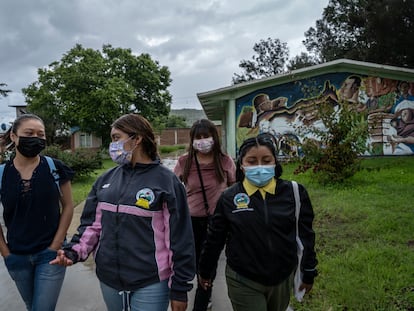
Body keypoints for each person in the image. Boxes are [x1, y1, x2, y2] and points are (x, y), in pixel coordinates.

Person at [51, 113, 195, 311]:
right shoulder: (104, 181)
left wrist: (180, 287)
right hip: (109, 278)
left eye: (116, 138)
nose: (113, 145)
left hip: (151, 280)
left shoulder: (167, 182)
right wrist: (73, 252)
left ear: (136, 139)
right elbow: (92, 226)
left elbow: (180, 239)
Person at [197, 134, 318, 311]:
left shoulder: (294, 193)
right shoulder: (230, 198)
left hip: (282, 278)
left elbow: (306, 236)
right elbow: (215, 239)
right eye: (252, 161)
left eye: (266, 160)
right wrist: (205, 270)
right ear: (242, 165)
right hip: (243, 279)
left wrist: (308, 272)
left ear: (275, 162)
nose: (260, 167)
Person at [0, 113, 74, 311]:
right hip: (16, 255)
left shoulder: (55, 168)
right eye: (29, 133)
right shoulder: (1, 173)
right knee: (31, 305)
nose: (36, 138)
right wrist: (5, 252)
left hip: (50, 254)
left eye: (41, 135)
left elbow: (68, 206)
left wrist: (56, 245)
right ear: (14, 137)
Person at [173, 119, 236, 311]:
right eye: (198, 137)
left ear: (214, 137)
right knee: (191, 265)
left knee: (208, 266)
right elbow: (172, 188)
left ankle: (202, 301)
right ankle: (202, 288)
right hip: (190, 223)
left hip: (216, 224)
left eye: (206, 136)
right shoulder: (185, 162)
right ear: (192, 140)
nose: (202, 141)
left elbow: (234, 188)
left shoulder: (225, 161)